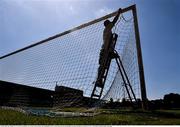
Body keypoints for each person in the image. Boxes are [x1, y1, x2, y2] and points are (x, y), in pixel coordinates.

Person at [96, 8, 121, 87]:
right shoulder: (107, 28)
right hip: (105, 51)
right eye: (109, 23)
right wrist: (118, 13)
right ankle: (98, 81)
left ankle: (99, 81)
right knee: (102, 66)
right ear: (107, 24)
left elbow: (109, 43)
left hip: (107, 51)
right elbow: (114, 21)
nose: (111, 24)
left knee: (104, 66)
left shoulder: (107, 31)